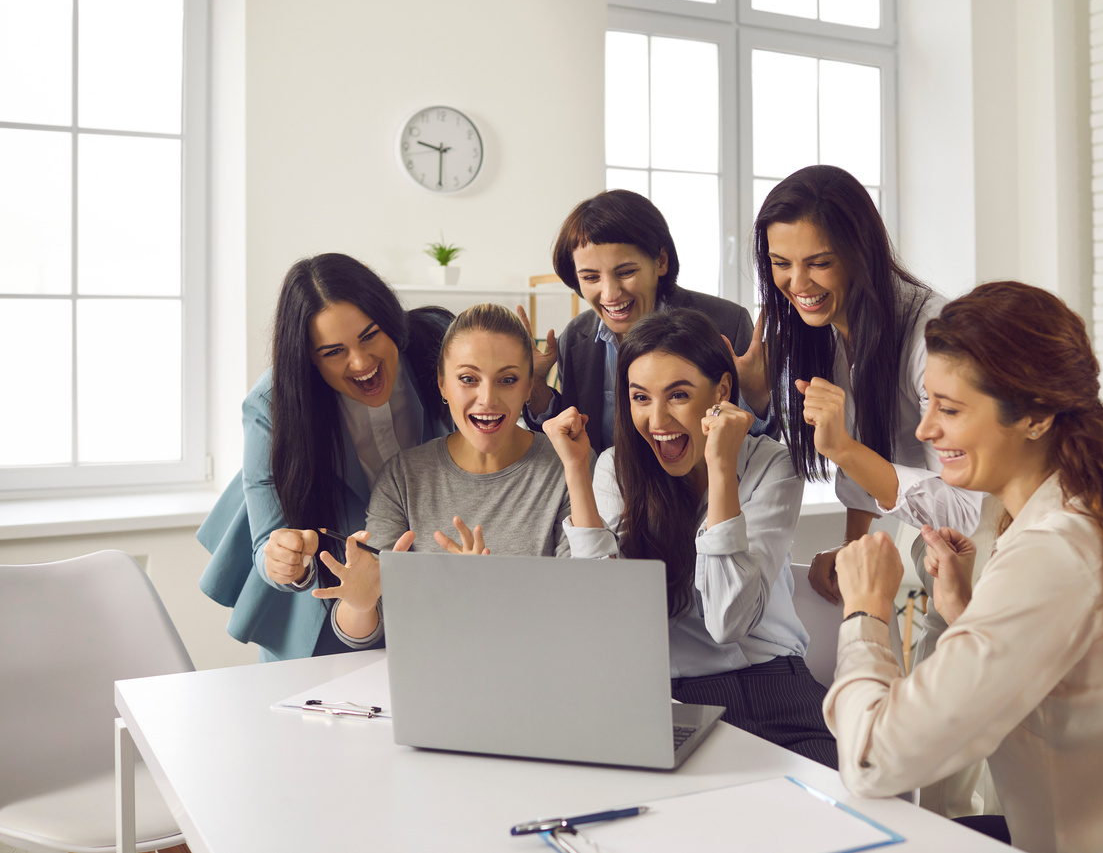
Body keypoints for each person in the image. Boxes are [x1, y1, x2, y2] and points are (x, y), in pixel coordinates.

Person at [824, 281, 1103, 853]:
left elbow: (874, 761)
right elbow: (1068, 671)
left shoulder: (1054, 549)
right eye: (927, 403)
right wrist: (966, 612)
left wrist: (866, 615)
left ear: (1036, 417)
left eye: (949, 409)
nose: (924, 430)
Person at [544, 308, 836, 768]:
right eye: (640, 397)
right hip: (663, 699)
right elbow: (611, 621)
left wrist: (721, 468)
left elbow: (727, 623)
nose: (656, 418)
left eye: (678, 395)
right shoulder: (614, 469)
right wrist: (576, 472)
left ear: (721, 391)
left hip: (772, 688)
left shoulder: (771, 465)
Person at [750, 164, 982, 660]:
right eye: (780, 263)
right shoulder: (830, 332)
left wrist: (842, 448)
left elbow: (967, 509)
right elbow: (869, 457)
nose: (797, 282)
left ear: (860, 253)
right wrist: (853, 550)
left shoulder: (933, 338)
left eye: (819, 262)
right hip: (937, 547)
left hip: (984, 554)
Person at [197, 253, 454, 661]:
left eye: (370, 335)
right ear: (308, 358)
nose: (361, 362)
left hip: (441, 592)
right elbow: (268, 541)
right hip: (330, 607)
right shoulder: (272, 406)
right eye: (334, 352)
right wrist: (286, 561)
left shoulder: (438, 343)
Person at [310, 304, 576, 648]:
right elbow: (361, 634)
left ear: (528, 387)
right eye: (468, 379)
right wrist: (360, 604)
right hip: (429, 677)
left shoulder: (565, 464)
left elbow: (580, 605)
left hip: (539, 673)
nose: (487, 398)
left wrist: (488, 590)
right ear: (442, 384)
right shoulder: (403, 477)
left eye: (507, 380)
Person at [522, 188, 772, 451]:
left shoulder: (726, 323)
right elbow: (564, 439)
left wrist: (756, 398)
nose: (610, 294)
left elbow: (756, 450)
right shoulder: (575, 336)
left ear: (661, 261)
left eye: (626, 271)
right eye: (591, 278)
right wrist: (536, 386)